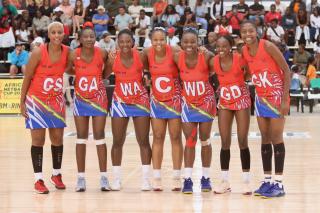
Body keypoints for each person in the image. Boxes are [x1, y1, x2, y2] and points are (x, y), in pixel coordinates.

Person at [241, 20, 290, 198]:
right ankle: (267, 181)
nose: (248, 34)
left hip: (277, 96)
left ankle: (279, 184)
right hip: (261, 97)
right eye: (244, 32)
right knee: (265, 138)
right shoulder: (244, 51)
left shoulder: (267, 45)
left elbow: (286, 70)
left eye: (251, 31)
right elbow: (247, 72)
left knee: (276, 137)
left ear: (258, 32)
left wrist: (285, 98)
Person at [20, 22, 69, 194]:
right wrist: (22, 102)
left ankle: (56, 174)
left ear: (64, 33)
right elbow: (27, 77)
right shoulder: (38, 52)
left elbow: (77, 68)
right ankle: (38, 179)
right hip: (36, 100)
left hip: (56, 101)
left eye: (59, 32)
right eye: (53, 32)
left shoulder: (67, 52)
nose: (57, 35)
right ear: (49, 34)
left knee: (57, 139)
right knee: (38, 140)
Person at [107, 29, 152, 191]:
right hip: (120, 103)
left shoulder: (140, 56)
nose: (125, 44)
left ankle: (146, 180)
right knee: (117, 142)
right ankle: (116, 179)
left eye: (128, 41)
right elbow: (104, 74)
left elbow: (154, 68)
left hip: (140, 102)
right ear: (117, 43)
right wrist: (109, 61)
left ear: (132, 42)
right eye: (122, 42)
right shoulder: (113, 57)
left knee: (144, 141)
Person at [66, 26, 110, 192]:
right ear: (80, 39)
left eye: (92, 36)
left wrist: (100, 76)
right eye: (86, 37)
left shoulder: (103, 53)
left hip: (98, 100)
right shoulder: (73, 54)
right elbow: (67, 68)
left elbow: (108, 69)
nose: (90, 39)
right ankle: (81, 178)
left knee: (99, 136)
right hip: (81, 100)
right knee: (81, 137)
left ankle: (104, 177)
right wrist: (77, 73)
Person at [173, 29, 216, 194]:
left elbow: (217, 62)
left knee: (205, 140)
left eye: (193, 42)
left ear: (198, 42)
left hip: (205, 103)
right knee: (190, 141)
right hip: (188, 104)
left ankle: (205, 177)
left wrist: (208, 50)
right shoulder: (177, 57)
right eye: (186, 42)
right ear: (181, 43)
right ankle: (188, 178)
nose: (189, 45)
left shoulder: (206, 56)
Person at [141, 27, 183, 191]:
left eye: (161, 39)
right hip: (157, 100)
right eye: (155, 40)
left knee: (175, 137)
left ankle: (176, 177)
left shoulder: (175, 51)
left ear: (166, 39)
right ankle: (157, 177)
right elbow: (144, 70)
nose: (158, 43)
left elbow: (187, 64)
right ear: (151, 40)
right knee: (158, 137)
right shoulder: (146, 53)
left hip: (174, 100)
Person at [212, 35, 252, 195]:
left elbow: (248, 73)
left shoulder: (239, 59)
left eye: (224, 46)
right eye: (218, 46)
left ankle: (247, 181)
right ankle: (224, 181)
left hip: (241, 99)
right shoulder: (214, 60)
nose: (221, 49)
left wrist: (240, 82)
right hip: (225, 101)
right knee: (224, 141)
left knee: (242, 140)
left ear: (230, 47)